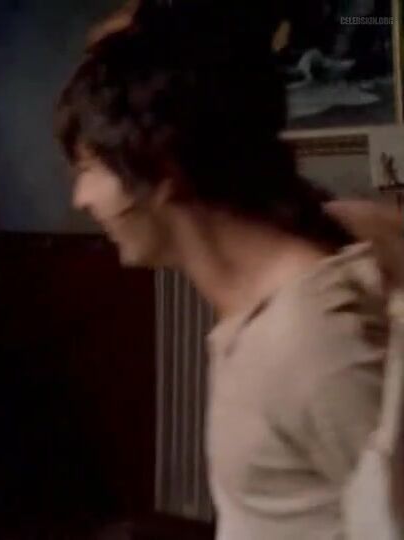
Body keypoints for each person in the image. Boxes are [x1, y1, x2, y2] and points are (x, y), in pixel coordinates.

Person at [55, 1, 396, 538]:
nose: (81, 198)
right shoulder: (265, 312)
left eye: (91, 168)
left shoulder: (310, 339)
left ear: (162, 169)